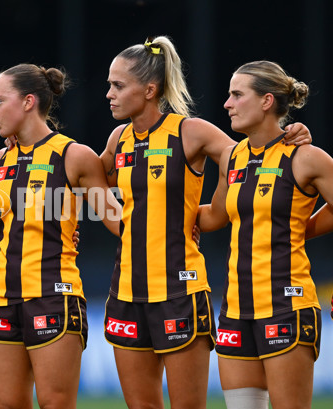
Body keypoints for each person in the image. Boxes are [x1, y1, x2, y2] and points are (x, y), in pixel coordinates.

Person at [98, 36, 312, 409]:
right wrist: (115, 219)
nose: (109, 94)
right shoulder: (119, 139)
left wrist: (287, 137)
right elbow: (87, 180)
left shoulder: (191, 131)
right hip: (127, 292)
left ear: (150, 90)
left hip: (181, 291)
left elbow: (243, 158)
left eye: (118, 85)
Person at [0, 63, 122, 409]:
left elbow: (118, 220)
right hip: (1, 298)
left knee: (55, 404)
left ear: (28, 102)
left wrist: (173, 222)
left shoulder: (74, 156)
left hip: (54, 297)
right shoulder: (0, 160)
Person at [197, 60, 333, 409]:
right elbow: (213, 216)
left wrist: (299, 231)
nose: (227, 103)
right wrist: (145, 217)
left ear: (266, 101)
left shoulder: (307, 158)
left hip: (286, 307)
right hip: (234, 310)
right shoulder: (231, 156)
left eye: (237, 95)